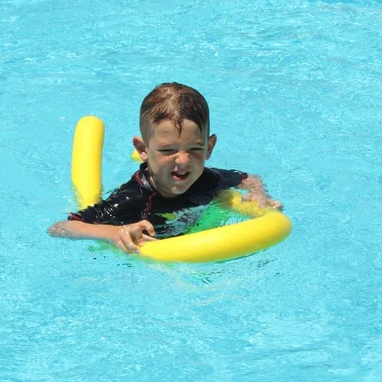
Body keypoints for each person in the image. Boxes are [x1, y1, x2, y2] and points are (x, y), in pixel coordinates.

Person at [48, 82, 281, 253]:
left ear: (209, 148)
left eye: (195, 149)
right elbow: (61, 227)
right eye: (168, 150)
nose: (183, 161)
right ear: (142, 149)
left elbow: (247, 178)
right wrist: (114, 233)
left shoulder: (207, 179)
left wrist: (260, 194)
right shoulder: (133, 199)